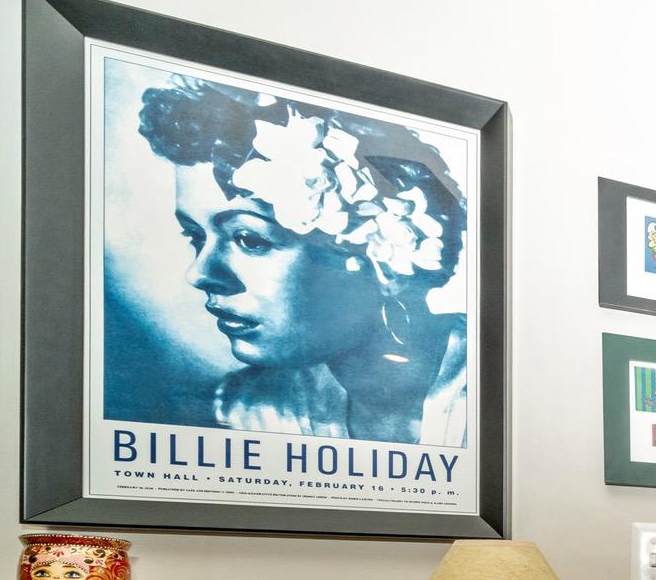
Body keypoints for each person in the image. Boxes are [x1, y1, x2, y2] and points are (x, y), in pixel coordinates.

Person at [135, 76, 469, 445]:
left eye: (249, 239)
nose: (199, 274)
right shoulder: (251, 412)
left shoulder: (501, 388)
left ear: (375, 250)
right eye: (195, 237)